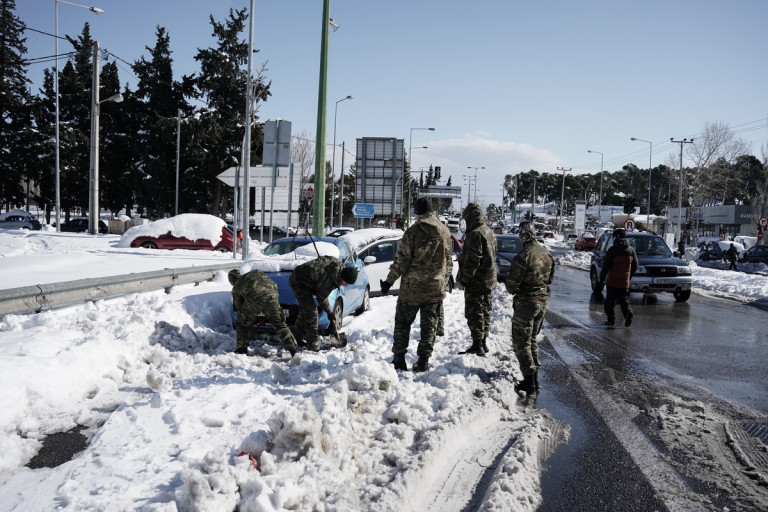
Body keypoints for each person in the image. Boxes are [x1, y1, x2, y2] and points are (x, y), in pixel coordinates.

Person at [380, 197, 452, 372]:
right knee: (429, 325)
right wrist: (444, 280)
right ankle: (423, 361)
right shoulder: (445, 231)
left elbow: (402, 261)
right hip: (434, 288)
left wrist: (389, 282)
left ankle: (399, 359)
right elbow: (448, 261)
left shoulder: (413, 231)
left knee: (403, 323)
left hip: (411, 289)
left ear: (417, 212)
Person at [504, 221, 555, 395]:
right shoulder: (546, 253)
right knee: (532, 339)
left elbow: (511, 286)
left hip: (526, 303)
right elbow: (550, 279)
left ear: (521, 235)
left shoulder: (523, 256)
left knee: (521, 343)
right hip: (542, 301)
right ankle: (534, 379)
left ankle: (529, 382)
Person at [289, 255, 358, 351]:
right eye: (346, 282)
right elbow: (322, 298)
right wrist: (330, 313)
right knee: (312, 313)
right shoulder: (329, 278)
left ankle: (294, 339)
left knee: (305, 310)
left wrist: (330, 314)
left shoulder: (338, 268)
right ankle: (313, 346)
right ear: (343, 277)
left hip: (307, 280)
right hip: (299, 282)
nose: (345, 285)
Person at [456, 203, 498, 356]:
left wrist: (464, 280)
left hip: (476, 282)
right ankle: (484, 342)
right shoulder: (489, 232)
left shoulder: (475, 234)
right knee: (485, 311)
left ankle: (477, 344)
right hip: (488, 280)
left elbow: (473, 261)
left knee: (475, 313)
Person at [229, 269, 298, 357]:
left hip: (256, 299)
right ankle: (293, 349)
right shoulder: (256, 272)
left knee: (242, 323)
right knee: (279, 324)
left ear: (232, 280)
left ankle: (242, 349)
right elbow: (271, 284)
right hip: (272, 295)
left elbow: (238, 306)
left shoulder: (237, 285)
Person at [599, 228, 638, 329]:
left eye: (613, 236)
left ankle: (611, 320)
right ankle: (628, 312)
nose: (612, 238)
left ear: (616, 237)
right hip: (624, 282)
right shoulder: (631, 250)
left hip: (612, 281)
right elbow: (635, 265)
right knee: (624, 299)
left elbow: (606, 266)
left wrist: (601, 279)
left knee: (609, 302)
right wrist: (628, 276)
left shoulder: (612, 250)